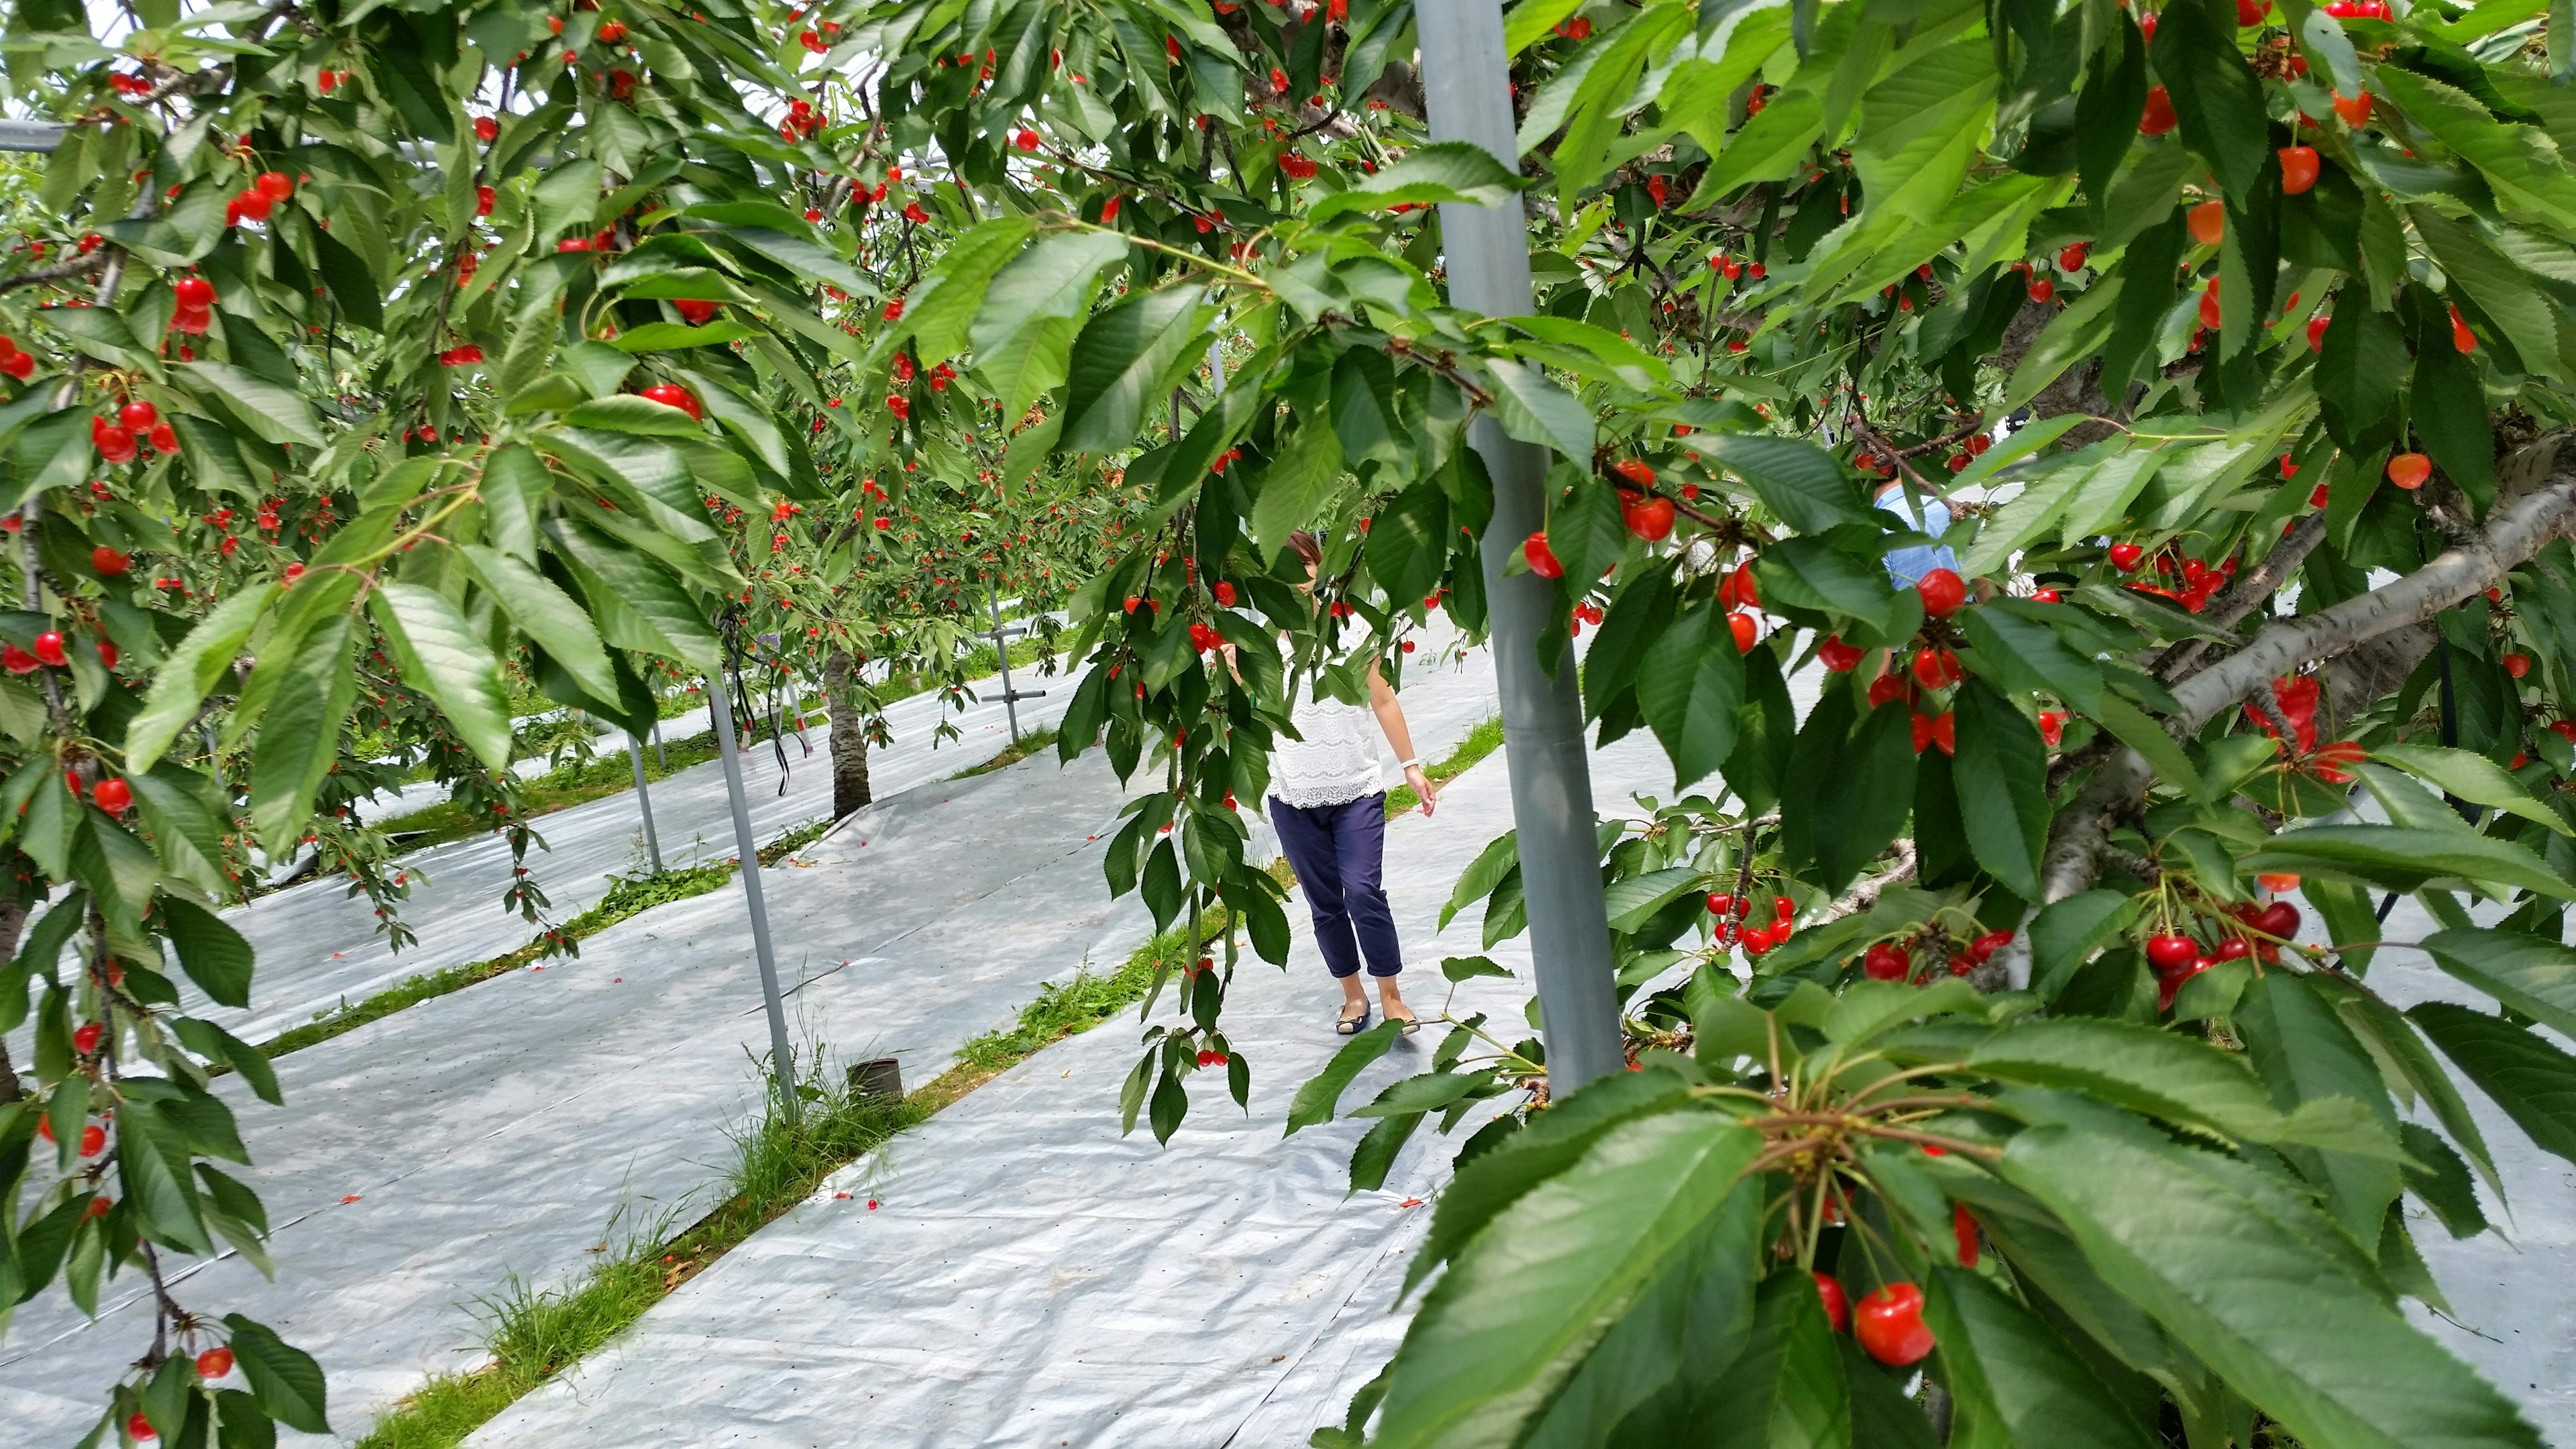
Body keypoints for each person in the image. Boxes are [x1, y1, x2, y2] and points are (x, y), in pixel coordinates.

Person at [1268, 531, 1438, 1036]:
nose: (1297, 576)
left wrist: (1410, 764)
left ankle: (1391, 995)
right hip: (1292, 795)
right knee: (1325, 903)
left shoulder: (1352, 629)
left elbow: (1382, 699)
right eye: (1283, 566)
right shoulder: (1256, 643)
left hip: (1356, 789)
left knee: (1363, 891)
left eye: (1304, 563)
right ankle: (1353, 995)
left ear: (1321, 565)